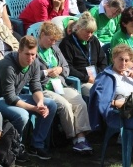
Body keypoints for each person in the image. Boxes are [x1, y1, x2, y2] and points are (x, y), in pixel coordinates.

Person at [34, 24, 94, 153]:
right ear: (42, 35)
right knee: (65, 105)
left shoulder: (55, 49)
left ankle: (81, 139)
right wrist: (46, 72)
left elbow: (66, 67)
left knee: (80, 102)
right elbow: (28, 73)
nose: (53, 43)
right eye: (51, 39)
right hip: (44, 88)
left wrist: (60, 69)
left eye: (55, 40)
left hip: (60, 85)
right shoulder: (33, 51)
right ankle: (74, 138)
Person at [59, 11, 108, 97]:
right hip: (81, 80)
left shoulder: (93, 40)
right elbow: (68, 67)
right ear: (78, 28)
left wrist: (99, 75)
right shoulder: (67, 43)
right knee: (99, 93)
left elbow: (102, 60)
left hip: (97, 78)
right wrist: (87, 78)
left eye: (92, 32)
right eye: (87, 31)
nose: (89, 35)